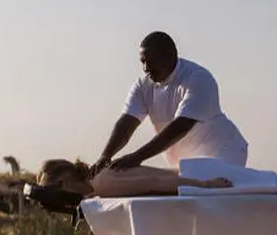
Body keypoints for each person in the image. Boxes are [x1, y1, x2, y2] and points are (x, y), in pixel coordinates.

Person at [91, 31, 248, 175]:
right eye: (143, 62)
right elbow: (127, 122)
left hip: (223, 154)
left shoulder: (198, 78)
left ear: (170, 55)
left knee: (207, 197)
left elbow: (180, 127)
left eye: (151, 61)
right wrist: (106, 155)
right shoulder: (143, 85)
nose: (146, 68)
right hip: (184, 163)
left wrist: (136, 157)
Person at [35, 158, 277, 199]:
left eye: (61, 188)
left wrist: (206, 187)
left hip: (199, 178)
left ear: (67, 180)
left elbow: (159, 184)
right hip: (196, 177)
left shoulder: (104, 182)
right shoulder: (100, 180)